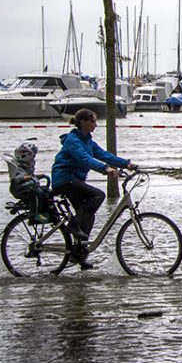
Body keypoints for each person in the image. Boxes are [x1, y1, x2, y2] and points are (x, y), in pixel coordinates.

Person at [51, 108, 135, 269]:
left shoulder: (87, 140)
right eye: (93, 121)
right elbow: (85, 159)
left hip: (74, 180)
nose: (96, 125)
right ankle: (73, 226)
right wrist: (106, 169)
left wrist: (127, 163)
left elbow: (104, 155)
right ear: (83, 122)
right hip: (65, 179)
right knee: (98, 195)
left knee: (89, 216)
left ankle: (79, 254)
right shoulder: (73, 140)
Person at [9, 142, 53, 224]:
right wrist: (27, 177)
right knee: (36, 193)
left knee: (47, 192)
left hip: (29, 186)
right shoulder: (17, 165)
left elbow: (32, 175)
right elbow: (17, 178)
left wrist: (38, 176)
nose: (33, 158)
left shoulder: (28, 164)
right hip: (20, 189)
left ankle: (46, 214)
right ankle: (34, 216)